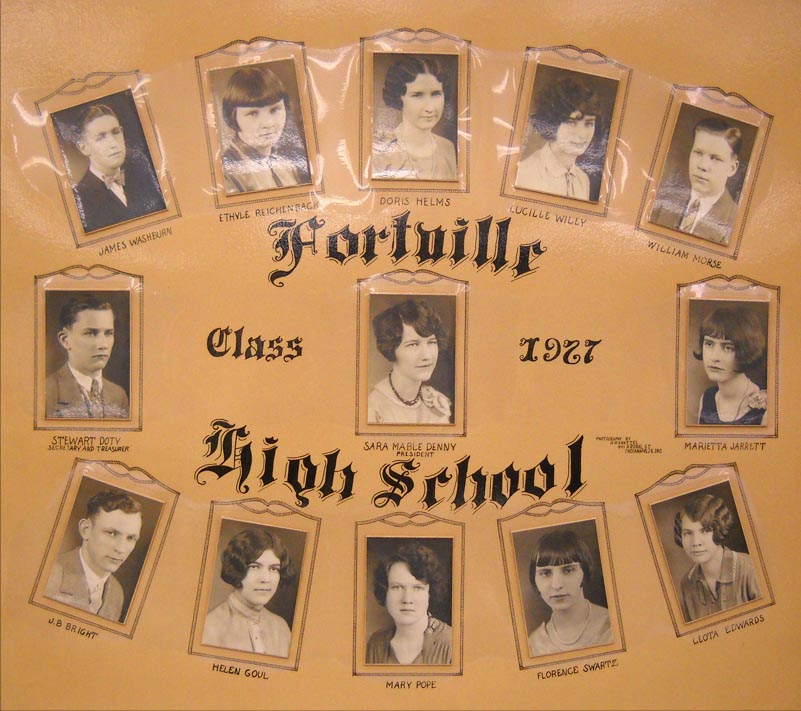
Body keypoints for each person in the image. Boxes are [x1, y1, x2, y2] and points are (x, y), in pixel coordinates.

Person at [44, 489, 142, 622]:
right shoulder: (49, 574)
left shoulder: (116, 592)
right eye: (111, 533)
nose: (121, 549)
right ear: (86, 529)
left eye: (130, 538)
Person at [71, 103, 166, 233]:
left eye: (116, 132)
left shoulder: (147, 178)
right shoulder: (79, 199)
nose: (114, 144)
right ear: (84, 148)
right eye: (100, 138)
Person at [202, 528, 294, 657]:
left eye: (273, 569)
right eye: (254, 567)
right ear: (236, 569)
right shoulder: (208, 627)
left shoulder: (281, 628)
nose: (265, 579)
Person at [219, 64, 310, 194]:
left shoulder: (289, 165)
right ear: (232, 117)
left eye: (274, 110)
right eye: (253, 113)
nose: (268, 123)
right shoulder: (225, 174)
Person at [652, 117, 742, 245]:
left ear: (732, 168)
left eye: (715, 158)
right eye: (698, 153)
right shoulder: (663, 200)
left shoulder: (736, 221)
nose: (702, 166)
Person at [674, 492, 761, 622]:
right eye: (687, 533)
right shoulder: (687, 583)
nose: (696, 542)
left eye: (705, 531)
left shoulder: (749, 568)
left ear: (719, 529)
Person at [515, 74, 602, 200]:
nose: (582, 134)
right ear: (552, 123)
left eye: (589, 124)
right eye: (572, 123)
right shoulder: (526, 173)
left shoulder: (583, 180)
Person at [527, 529, 613, 656]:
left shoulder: (612, 625)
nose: (557, 585)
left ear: (585, 572)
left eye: (568, 570)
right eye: (545, 573)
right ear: (534, 579)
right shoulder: (534, 645)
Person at [372, 55, 457, 181]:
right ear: (399, 97)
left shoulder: (447, 148)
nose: (430, 107)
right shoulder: (380, 151)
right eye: (417, 95)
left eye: (436, 94)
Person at [366, 541, 452, 665]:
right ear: (385, 591)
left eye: (417, 588)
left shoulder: (452, 643)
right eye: (397, 587)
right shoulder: (375, 644)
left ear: (430, 592)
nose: (407, 599)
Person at [368, 299, 452, 425]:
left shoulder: (437, 403)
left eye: (431, 342)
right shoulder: (373, 406)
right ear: (391, 348)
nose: (427, 356)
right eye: (413, 344)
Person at [45, 294, 129, 419]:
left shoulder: (118, 395)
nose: (103, 344)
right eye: (90, 333)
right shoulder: (45, 393)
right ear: (65, 340)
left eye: (108, 333)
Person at [693, 305, 767, 425]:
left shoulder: (764, 410)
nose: (714, 357)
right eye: (709, 344)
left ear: (746, 350)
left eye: (728, 347)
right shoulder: (707, 398)